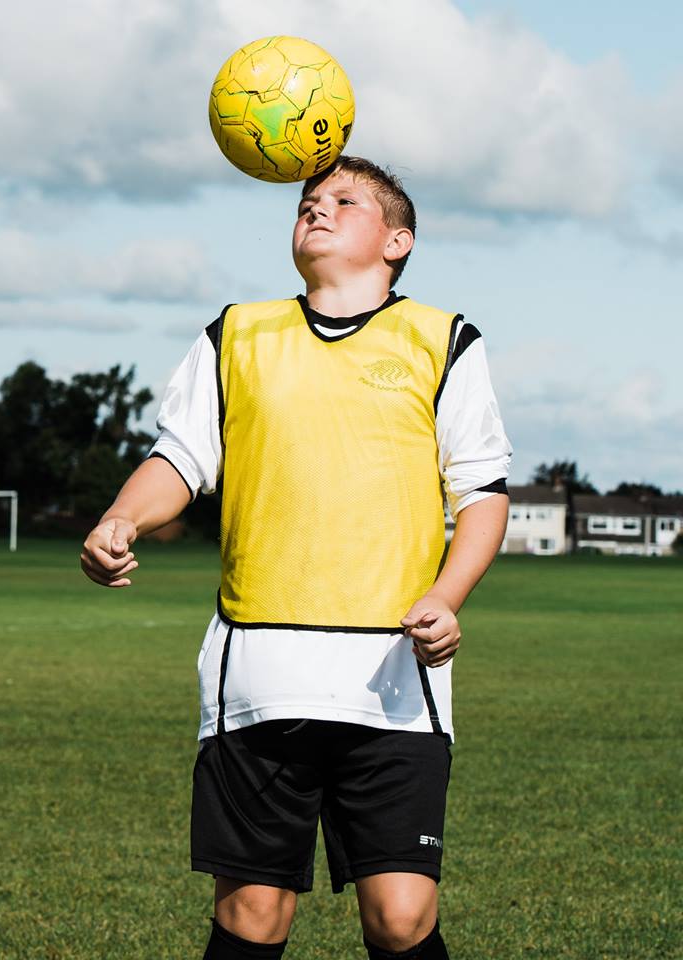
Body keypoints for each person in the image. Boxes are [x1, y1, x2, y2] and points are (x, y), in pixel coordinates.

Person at [81, 156, 512, 960]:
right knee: (252, 917)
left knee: (402, 917)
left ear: (397, 240)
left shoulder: (443, 338)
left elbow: (482, 495)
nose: (318, 209)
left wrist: (448, 597)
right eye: (309, 201)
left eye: (345, 201)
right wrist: (121, 516)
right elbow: (178, 459)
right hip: (258, 675)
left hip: (394, 680)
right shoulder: (237, 332)